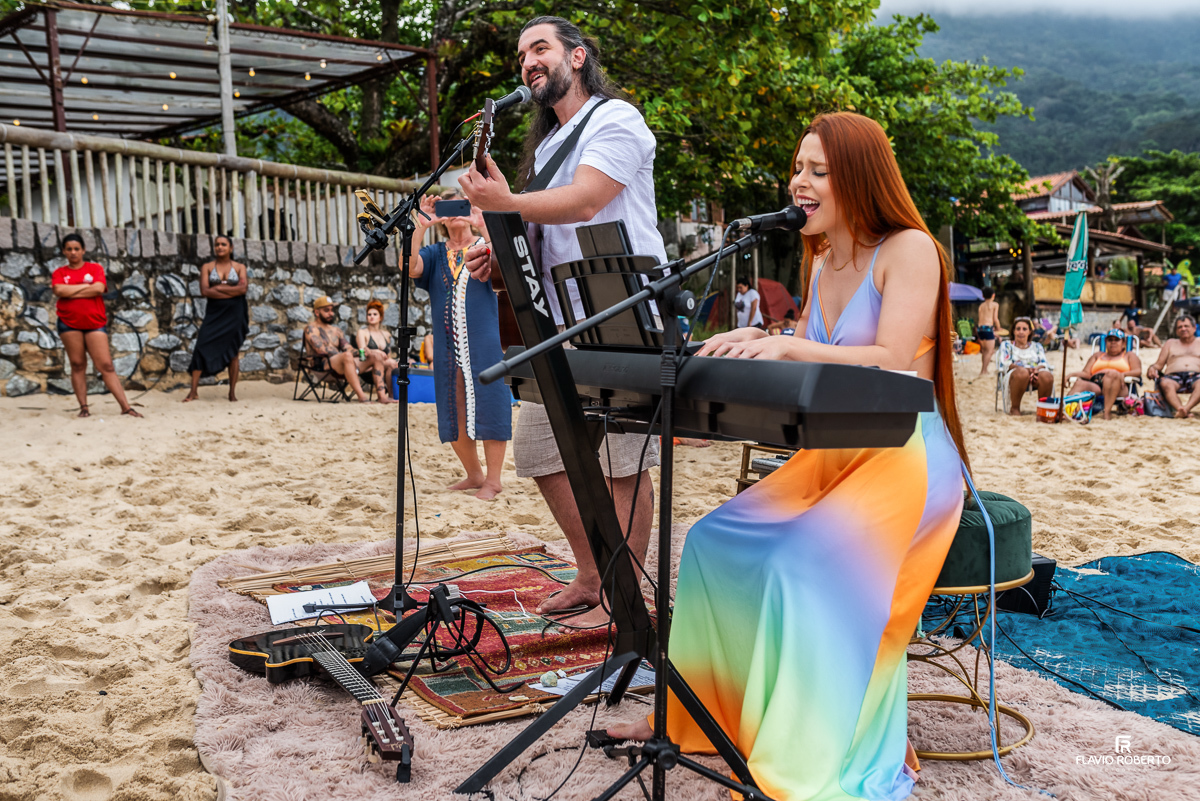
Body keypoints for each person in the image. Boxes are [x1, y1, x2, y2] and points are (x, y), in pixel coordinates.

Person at [607, 112, 969, 799]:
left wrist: (791, 342)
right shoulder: (822, 254)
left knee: (800, 567)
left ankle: (805, 753)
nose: (799, 182)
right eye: (798, 168)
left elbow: (891, 360)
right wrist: (765, 334)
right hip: (833, 454)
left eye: (817, 171)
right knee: (712, 541)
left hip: (904, 459)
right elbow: (817, 356)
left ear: (858, 178)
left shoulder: (910, 248)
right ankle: (700, 717)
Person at [459, 15, 664, 625]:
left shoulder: (615, 119)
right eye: (522, 54)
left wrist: (508, 204)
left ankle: (627, 599)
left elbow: (589, 198)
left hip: (621, 306)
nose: (528, 61)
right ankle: (593, 572)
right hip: (557, 320)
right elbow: (542, 236)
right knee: (540, 448)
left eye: (540, 48)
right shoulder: (546, 146)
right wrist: (498, 257)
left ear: (577, 57)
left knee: (621, 461)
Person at [406, 191, 510, 499]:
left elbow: (505, 262)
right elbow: (410, 268)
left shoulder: (484, 246)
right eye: (447, 206)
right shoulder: (436, 253)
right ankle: (474, 474)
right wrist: (420, 225)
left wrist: (483, 222)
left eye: (460, 204)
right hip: (447, 343)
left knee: (491, 403)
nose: (455, 211)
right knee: (453, 407)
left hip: (485, 339)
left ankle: (493, 479)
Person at [51, 234, 142, 418]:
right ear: (64, 252)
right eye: (69, 249)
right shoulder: (59, 273)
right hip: (69, 323)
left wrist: (71, 291)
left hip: (94, 323)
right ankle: (84, 407)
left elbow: (99, 288)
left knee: (106, 366)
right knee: (77, 365)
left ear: (83, 250)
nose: (73, 252)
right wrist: (85, 288)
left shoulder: (94, 268)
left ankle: (126, 407)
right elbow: (59, 290)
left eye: (77, 248)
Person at [183, 234, 249, 402]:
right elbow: (205, 291)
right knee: (201, 346)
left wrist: (218, 288)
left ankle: (232, 392)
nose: (220, 247)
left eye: (223, 244)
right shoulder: (207, 267)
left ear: (231, 248)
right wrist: (229, 289)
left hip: (235, 313)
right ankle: (193, 391)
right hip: (214, 312)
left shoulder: (240, 267)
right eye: (217, 244)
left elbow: (242, 290)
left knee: (233, 352)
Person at [302, 296, 387, 403]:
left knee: (375, 356)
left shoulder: (336, 330)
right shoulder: (311, 329)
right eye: (326, 310)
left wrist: (365, 351)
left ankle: (382, 397)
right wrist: (345, 354)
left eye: (332, 310)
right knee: (347, 355)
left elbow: (348, 348)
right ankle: (362, 397)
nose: (331, 313)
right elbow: (320, 350)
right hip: (322, 367)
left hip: (342, 364)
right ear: (317, 312)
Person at [1067, 329, 1143, 420]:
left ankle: (1107, 413)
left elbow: (1138, 371)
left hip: (1119, 387)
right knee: (1079, 383)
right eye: (1110, 340)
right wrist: (1071, 374)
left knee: (1112, 374)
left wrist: (1122, 374)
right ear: (1106, 342)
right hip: (1097, 384)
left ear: (1123, 343)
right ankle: (1065, 412)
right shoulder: (1097, 355)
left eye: (1116, 340)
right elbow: (1087, 373)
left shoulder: (1129, 355)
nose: (1113, 342)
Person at [1148, 313, 1200, 418]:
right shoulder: (1170, 343)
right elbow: (1158, 365)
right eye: (1180, 327)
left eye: (1186, 326)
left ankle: (1185, 409)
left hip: (1196, 376)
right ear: (1176, 331)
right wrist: (1151, 369)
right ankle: (1180, 408)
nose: (1183, 329)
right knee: (1165, 383)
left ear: (1194, 328)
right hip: (1172, 377)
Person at [998, 317, 1053, 415]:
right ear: (1013, 331)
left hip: (1035, 373)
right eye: (1018, 329)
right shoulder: (1006, 345)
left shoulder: (1037, 346)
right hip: (1014, 375)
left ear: (1030, 332)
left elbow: (1043, 363)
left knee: (1046, 375)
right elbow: (1006, 363)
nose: (1021, 332)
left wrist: (1035, 370)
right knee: (1022, 373)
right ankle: (1014, 409)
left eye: (1024, 329)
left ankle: (1043, 409)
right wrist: (1026, 370)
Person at [355, 300, 399, 404]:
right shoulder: (362, 333)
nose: (371, 316)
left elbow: (388, 357)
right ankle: (391, 396)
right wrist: (376, 352)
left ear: (380, 317)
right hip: (368, 367)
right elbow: (362, 354)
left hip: (385, 366)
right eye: (369, 314)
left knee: (398, 363)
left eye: (375, 314)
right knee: (392, 364)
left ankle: (394, 395)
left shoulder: (386, 335)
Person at [976, 286, 999, 375]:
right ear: (993, 295)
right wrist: (998, 327)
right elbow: (995, 319)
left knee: (985, 350)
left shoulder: (981, 305)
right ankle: (984, 371)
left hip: (980, 329)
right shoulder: (994, 304)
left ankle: (983, 369)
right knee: (990, 351)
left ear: (983, 296)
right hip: (988, 328)